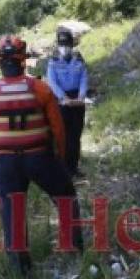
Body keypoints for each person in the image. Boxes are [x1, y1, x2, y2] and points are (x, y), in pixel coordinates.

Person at [0, 35, 82, 274]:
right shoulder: (40, 89)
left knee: (12, 213)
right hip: (39, 157)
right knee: (66, 198)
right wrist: (61, 159)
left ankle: (22, 272)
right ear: (23, 61)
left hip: (4, 162)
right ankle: (75, 251)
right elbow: (58, 129)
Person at [46, 29, 89, 178]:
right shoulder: (53, 60)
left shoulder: (79, 59)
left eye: (67, 44)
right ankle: (63, 169)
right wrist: (64, 98)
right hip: (61, 101)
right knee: (62, 135)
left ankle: (74, 167)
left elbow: (84, 78)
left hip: (77, 100)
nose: (65, 47)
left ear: (72, 44)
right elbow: (52, 82)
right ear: (58, 44)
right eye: (62, 44)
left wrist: (81, 96)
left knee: (75, 135)